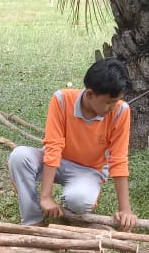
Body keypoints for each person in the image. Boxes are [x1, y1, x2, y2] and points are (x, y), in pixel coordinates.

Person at [8, 59, 138, 230]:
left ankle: (72, 213)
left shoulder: (121, 111)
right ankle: (33, 220)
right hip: (58, 161)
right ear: (90, 94)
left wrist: (125, 210)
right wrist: (46, 197)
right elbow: (53, 148)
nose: (113, 107)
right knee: (19, 156)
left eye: (117, 101)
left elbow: (119, 159)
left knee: (79, 200)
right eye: (109, 102)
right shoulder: (61, 100)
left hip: (89, 170)